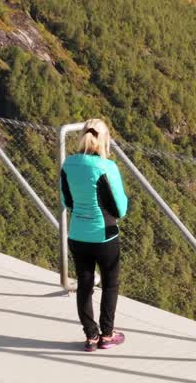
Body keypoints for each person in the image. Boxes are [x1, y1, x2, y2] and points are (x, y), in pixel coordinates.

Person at [60, 119, 128, 351]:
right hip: (104, 235)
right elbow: (120, 208)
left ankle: (91, 336)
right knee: (110, 283)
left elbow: (66, 200)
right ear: (105, 139)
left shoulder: (68, 163)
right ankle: (107, 335)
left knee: (84, 283)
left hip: (77, 234)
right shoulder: (107, 166)